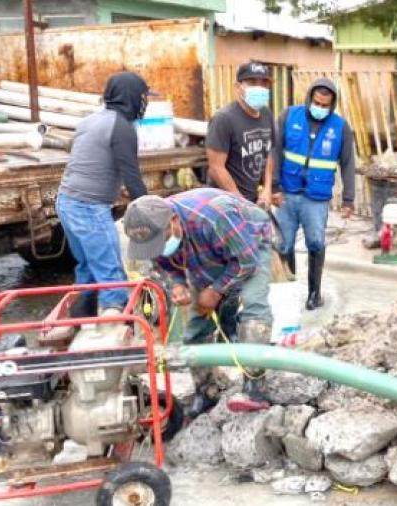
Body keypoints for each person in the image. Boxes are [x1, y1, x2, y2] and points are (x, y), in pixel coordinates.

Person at [123, 188, 274, 415]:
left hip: (249, 243)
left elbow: (246, 262)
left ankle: (255, 387)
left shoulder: (213, 217)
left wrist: (215, 290)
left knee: (253, 306)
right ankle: (206, 390)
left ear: (173, 220)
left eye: (161, 242)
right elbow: (163, 263)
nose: (159, 248)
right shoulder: (154, 231)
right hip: (208, 248)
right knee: (196, 327)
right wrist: (177, 284)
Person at [55, 71, 151, 323]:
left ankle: (77, 322)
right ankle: (116, 328)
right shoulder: (122, 127)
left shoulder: (90, 121)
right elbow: (132, 177)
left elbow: (94, 163)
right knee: (111, 274)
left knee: (87, 267)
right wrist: (155, 213)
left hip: (66, 202)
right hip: (88, 207)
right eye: (142, 96)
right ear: (130, 97)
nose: (145, 102)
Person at [271, 78, 355, 310]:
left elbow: (348, 163)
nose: (320, 108)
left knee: (316, 243)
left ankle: (314, 294)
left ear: (332, 105)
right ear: (309, 99)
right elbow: (275, 151)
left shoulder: (340, 127)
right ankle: (288, 291)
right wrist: (273, 187)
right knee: (283, 244)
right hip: (286, 193)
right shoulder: (289, 116)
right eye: (316, 102)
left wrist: (349, 198)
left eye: (325, 105)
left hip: (316, 197)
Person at [206, 60, 276, 205]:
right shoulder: (224, 119)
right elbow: (216, 168)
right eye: (252, 82)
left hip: (252, 200)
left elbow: (268, 153)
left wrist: (267, 189)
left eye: (264, 83)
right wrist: (240, 201)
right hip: (224, 202)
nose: (259, 87)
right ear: (238, 87)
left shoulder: (266, 114)